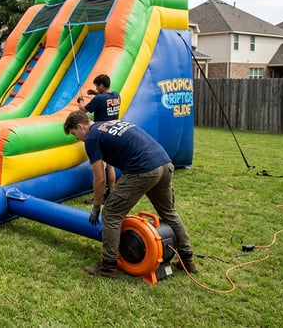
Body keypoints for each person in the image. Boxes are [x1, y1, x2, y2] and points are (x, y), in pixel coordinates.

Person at [63, 111, 197, 279]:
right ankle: (187, 259)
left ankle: (108, 267)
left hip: (143, 169)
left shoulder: (92, 137)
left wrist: (96, 206)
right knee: (169, 213)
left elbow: (99, 179)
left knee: (111, 213)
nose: (78, 138)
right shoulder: (108, 125)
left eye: (75, 134)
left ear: (80, 127)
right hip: (164, 164)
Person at [77, 74, 121, 203]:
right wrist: (95, 93)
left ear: (101, 85)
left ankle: (99, 197)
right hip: (113, 132)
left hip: (101, 135)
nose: (96, 88)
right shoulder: (116, 95)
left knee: (99, 169)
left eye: (97, 86)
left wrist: (80, 101)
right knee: (110, 166)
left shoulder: (99, 99)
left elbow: (83, 110)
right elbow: (105, 100)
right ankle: (111, 192)